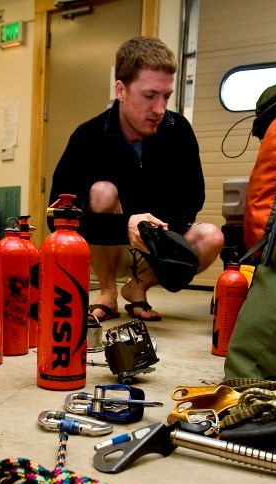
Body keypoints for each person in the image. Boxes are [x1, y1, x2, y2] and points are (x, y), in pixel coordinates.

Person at [48, 36, 224, 322]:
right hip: (107, 245)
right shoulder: (87, 137)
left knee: (213, 237)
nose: (159, 109)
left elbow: (193, 199)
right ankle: (107, 293)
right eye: (149, 95)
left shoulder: (178, 131)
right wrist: (124, 226)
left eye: (166, 97)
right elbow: (57, 217)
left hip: (157, 245)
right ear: (121, 90)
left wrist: (156, 233)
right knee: (102, 191)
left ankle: (137, 288)